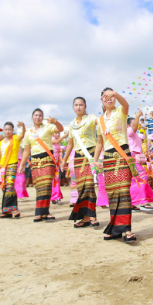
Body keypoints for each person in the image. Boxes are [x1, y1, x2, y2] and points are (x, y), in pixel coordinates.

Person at [93, 88, 138, 242]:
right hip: (109, 159)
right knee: (113, 194)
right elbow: (100, 142)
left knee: (123, 192)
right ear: (102, 100)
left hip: (123, 156)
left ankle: (126, 230)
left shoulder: (121, 111)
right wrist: (95, 159)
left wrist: (116, 94)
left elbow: (125, 104)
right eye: (105, 96)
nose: (109, 99)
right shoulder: (99, 120)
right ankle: (115, 228)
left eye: (111, 96)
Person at [61, 97, 100, 228]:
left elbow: (98, 121)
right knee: (81, 188)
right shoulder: (72, 124)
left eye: (81, 105)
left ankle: (92, 215)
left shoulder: (91, 118)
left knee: (89, 186)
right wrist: (64, 160)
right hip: (78, 157)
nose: (78, 107)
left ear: (85, 106)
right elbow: (70, 144)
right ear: (73, 107)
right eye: (76, 105)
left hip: (90, 155)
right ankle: (85, 217)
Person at [20, 110, 63, 222]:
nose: (38, 117)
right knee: (39, 187)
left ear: (42, 117)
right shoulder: (28, 133)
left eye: (40, 115)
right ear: (32, 117)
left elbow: (60, 129)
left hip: (47, 159)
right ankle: (43, 213)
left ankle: (41, 213)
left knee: (47, 186)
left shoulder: (48, 127)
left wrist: (55, 121)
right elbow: (26, 151)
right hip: (35, 161)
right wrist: (22, 165)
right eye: (36, 115)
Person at [0, 121, 26, 219]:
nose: (7, 131)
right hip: (2, 167)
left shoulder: (15, 139)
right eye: (6, 129)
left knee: (10, 185)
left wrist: (23, 126)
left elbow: (23, 134)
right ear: (3, 131)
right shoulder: (0, 143)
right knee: (5, 187)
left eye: (9, 130)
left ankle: (14, 209)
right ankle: (7, 211)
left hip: (12, 164)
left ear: (12, 131)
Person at [127, 112, 153, 213]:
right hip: (133, 159)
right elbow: (134, 128)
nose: (137, 123)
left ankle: (132, 204)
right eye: (134, 122)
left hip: (136, 159)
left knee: (134, 180)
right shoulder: (129, 130)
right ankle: (144, 202)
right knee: (143, 177)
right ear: (129, 125)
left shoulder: (135, 133)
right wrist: (138, 116)